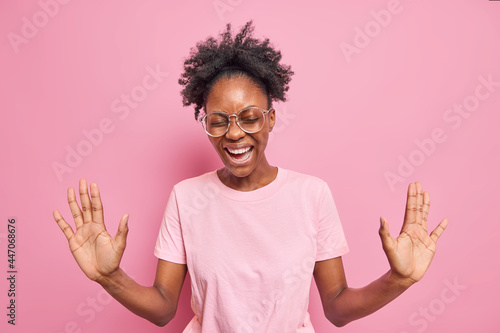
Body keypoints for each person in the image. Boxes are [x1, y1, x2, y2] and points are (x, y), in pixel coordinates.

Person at [52, 21, 449, 332]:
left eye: (249, 117)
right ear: (206, 123)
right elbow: (162, 309)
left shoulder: (311, 194)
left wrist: (399, 279)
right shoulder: (186, 197)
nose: (235, 133)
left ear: (270, 118)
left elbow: (338, 308)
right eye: (218, 121)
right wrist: (109, 277)